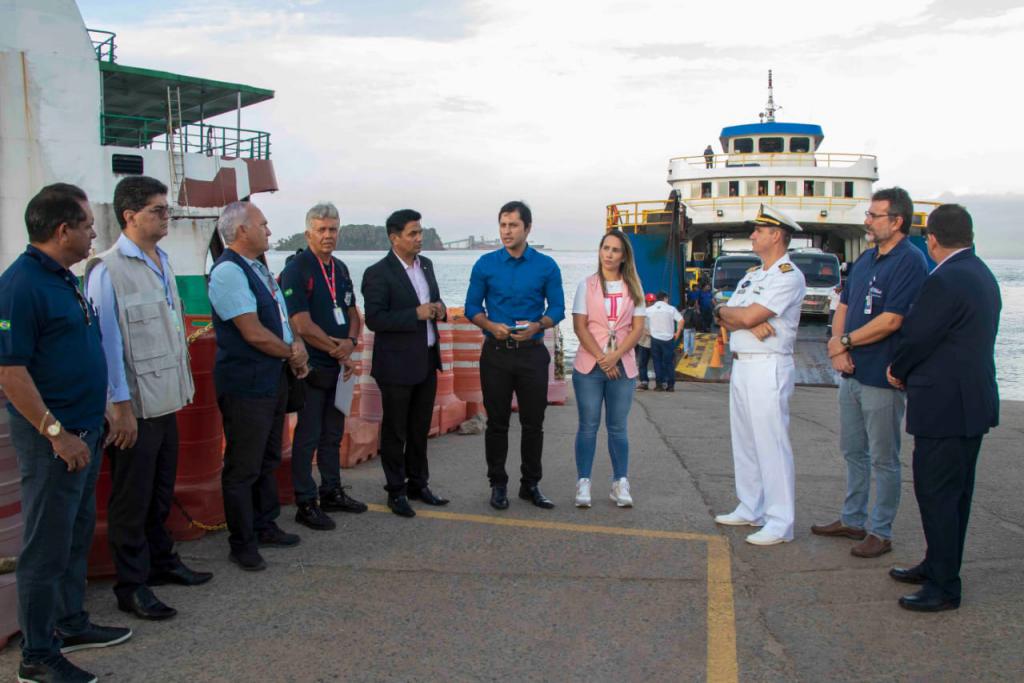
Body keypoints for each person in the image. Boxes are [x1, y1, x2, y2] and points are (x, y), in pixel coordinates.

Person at [0, 184, 132, 683]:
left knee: (75, 533)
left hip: (84, 431)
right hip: (54, 442)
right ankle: (37, 655)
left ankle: (70, 621)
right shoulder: (20, 285)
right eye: (86, 224)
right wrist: (56, 433)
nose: (94, 231)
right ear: (63, 231)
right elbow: (10, 373)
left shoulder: (64, 278)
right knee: (45, 546)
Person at [85, 176, 213, 622]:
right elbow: (105, 345)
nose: (167, 217)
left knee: (160, 491)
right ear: (130, 215)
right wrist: (118, 408)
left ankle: (162, 561)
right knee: (131, 498)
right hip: (134, 408)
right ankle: (132, 584)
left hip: (167, 399)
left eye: (166, 210)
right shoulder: (107, 270)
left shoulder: (163, 261)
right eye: (159, 210)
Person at [886, 204, 1001, 612]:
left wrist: (897, 369)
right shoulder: (981, 274)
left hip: (945, 407)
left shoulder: (945, 280)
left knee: (937, 495)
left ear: (931, 238)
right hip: (970, 404)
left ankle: (943, 586)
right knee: (955, 496)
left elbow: (917, 336)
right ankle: (937, 564)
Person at [811, 187, 928, 558]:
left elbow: (892, 320)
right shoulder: (865, 259)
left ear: (896, 222)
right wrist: (837, 348)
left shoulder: (910, 262)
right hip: (851, 372)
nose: (867, 221)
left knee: (883, 457)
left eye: (874, 216)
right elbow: (844, 303)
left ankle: (881, 531)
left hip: (882, 375)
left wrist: (843, 342)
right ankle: (853, 519)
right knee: (852, 451)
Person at [209, 201, 309, 571]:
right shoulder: (229, 273)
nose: (269, 231)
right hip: (247, 383)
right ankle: (242, 541)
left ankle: (265, 524)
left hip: (271, 378)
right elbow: (251, 332)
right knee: (243, 465)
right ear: (241, 231)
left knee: (267, 458)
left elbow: (281, 318)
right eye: (263, 225)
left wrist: (295, 346)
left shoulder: (259, 268)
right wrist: (291, 353)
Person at [712, 204, 807, 546]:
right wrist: (733, 314)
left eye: (759, 231)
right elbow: (725, 312)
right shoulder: (753, 275)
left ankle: (780, 521)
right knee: (746, 440)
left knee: (771, 442)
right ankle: (751, 506)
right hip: (743, 362)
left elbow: (748, 315)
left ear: (777, 235)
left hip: (769, 366)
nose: (752, 235)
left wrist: (744, 316)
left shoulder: (788, 275)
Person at [465, 200, 565, 510]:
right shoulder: (485, 264)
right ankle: (497, 484)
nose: (506, 231)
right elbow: (472, 308)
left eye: (513, 225)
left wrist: (539, 324)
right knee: (497, 423)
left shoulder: (546, 266)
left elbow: (558, 308)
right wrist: (489, 325)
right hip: (496, 353)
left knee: (534, 423)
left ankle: (530, 484)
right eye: (503, 225)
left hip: (532, 353)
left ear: (528, 228)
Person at [279, 203, 367, 531]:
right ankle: (305, 500)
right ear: (308, 233)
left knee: (333, 434)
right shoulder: (298, 268)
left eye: (332, 229)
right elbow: (300, 323)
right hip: (313, 369)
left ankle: (331, 490)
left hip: (339, 368)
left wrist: (352, 344)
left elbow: (354, 313)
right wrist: (338, 350)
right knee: (308, 434)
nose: (328, 235)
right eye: (321, 230)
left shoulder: (341, 268)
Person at [361, 209, 450, 518]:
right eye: (412, 233)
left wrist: (439, 309)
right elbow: (374, 319)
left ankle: (418, 484)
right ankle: (395, 490)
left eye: (420, 232)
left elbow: (435, 302)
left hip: (426, 359)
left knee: (419, 428)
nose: (418, 238)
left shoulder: (426, 264)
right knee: (396, 429)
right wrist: (416, 313)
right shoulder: (378, 273)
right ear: (394, 237)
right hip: (396, 365)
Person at [571, 230, 646, 508]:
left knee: (618, 428)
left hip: (622, 367)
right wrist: (603, 358)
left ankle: (620, 482)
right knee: (588, 426)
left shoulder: (634, 288)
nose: (609, 254)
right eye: (605, 248)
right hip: (589, 366)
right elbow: (580, 326)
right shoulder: (586, 286)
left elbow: (637, 329)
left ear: (624, 255)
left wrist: (615, 356)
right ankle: (584, 483)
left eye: (615, 250)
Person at [645, 292, 682, 392]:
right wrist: (677, 334)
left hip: (655, 339)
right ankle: (670, 385)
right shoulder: (671, 309)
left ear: (657, 299)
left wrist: (646, 332)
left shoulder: (650, 309)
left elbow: (639, 318)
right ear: (665, 298)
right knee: (669, 362)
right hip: (668, 339)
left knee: (657, 362)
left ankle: (659, 385)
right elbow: (681, 320)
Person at [635, 293, 655, 390]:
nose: (650, 303)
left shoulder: (656, 312)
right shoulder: (642, 312)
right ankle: (644, 382)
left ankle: (660, 383)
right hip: (644, 341)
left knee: (658, 363)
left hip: (655, 341)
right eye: (649, 301)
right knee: (642, 363)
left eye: (652, 301)